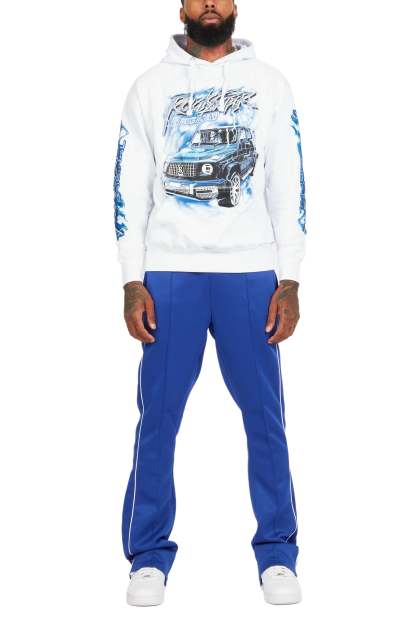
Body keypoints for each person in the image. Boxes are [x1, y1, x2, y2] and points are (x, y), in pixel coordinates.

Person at [113, 0, 307, 607]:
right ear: (182, 8)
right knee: (158, 419)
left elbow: (287, 182)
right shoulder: (149, 87)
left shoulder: (269, 83)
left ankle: (277, 554)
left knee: (265, 418)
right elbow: (129, 185)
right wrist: (132, 279)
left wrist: (290, 278)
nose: (210, 5)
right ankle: (148, 557)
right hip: (170, 270)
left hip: (250, 270)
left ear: (235, 5)